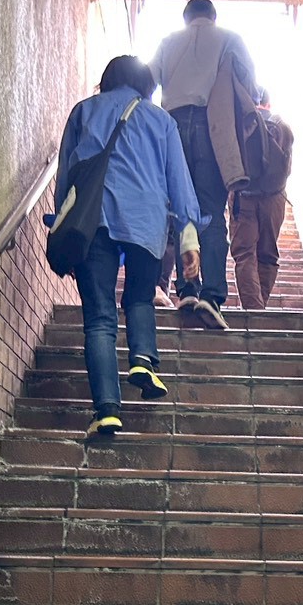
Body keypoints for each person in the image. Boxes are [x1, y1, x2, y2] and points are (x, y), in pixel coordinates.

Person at [54, 55, 205, 439]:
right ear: (146, 85)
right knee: (139, 296)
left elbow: (66, 178)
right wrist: (188, 240)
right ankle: (142, 360)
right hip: (146, 224)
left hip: (93, 222)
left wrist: (63, 231)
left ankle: (107, 411)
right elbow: (179, 181)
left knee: (99, 319)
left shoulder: (83, 112)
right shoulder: (161, 120)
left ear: (107, 79)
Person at [149, 0, 257, 331]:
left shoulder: (168, 42)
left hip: (172, 128)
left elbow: (147, 82)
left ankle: (186, 291)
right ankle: (212, 295)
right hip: (214, 129)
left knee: (180, 212)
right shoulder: (229, 38)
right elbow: (250, 87)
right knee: (210, 213)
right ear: (212, 16)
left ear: (186, 18)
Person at [229, 90, 294, 310]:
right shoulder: (282, 127)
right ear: (268, 103)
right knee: (267, 255)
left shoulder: (239, 123)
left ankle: (253, 310)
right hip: (274, 200)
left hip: (243, 197)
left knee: (244, 254)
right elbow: (287, 169)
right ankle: (259, 310)